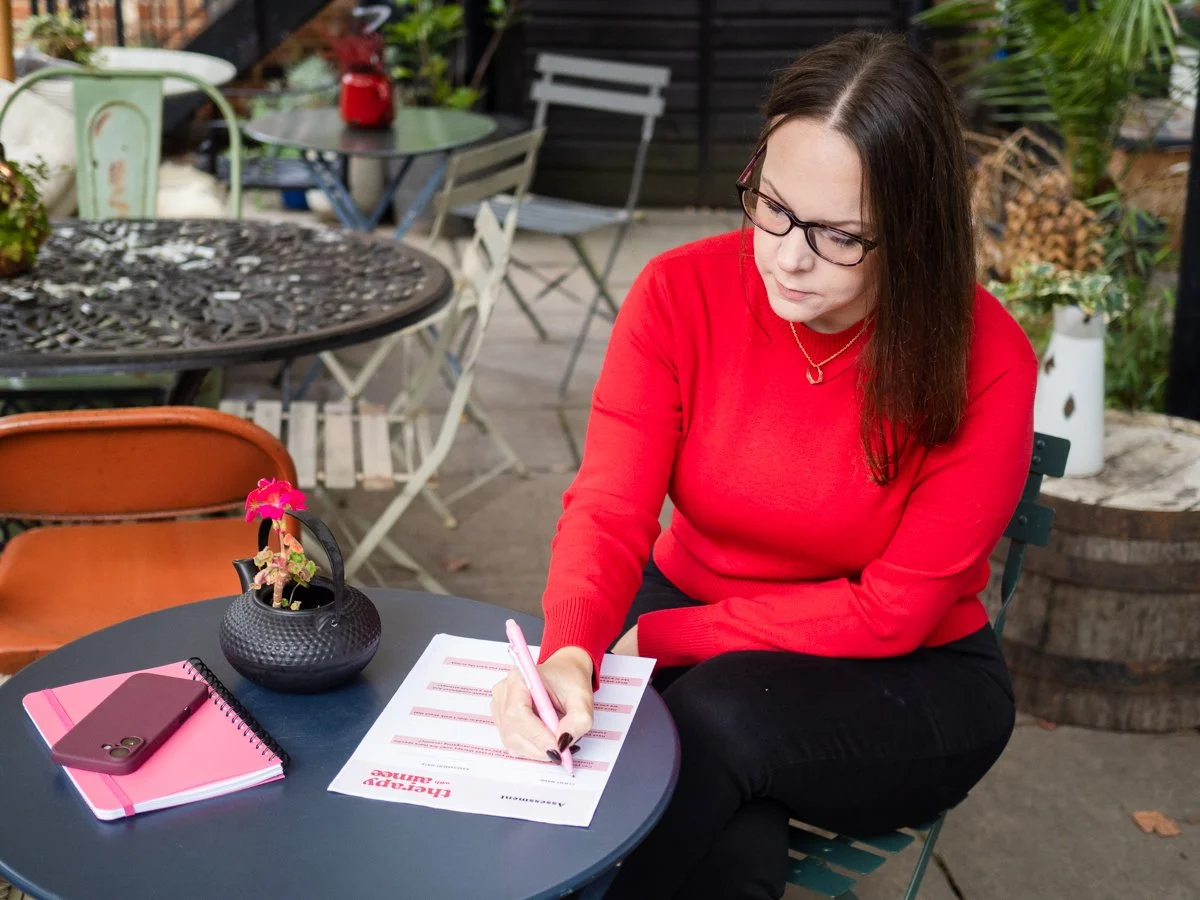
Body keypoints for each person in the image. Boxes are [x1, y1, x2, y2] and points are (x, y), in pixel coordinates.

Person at [491, 30, 1036, 900]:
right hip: (695, 616)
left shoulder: (986, 358)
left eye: (839, 235)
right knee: (684, 786)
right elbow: (607, 506)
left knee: (711, 723)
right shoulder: (679, 295)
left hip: (911, 672)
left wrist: (667, 637)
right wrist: (566, 651)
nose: (787, 254)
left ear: (914, 229)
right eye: (772, 206)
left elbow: (894, 612)